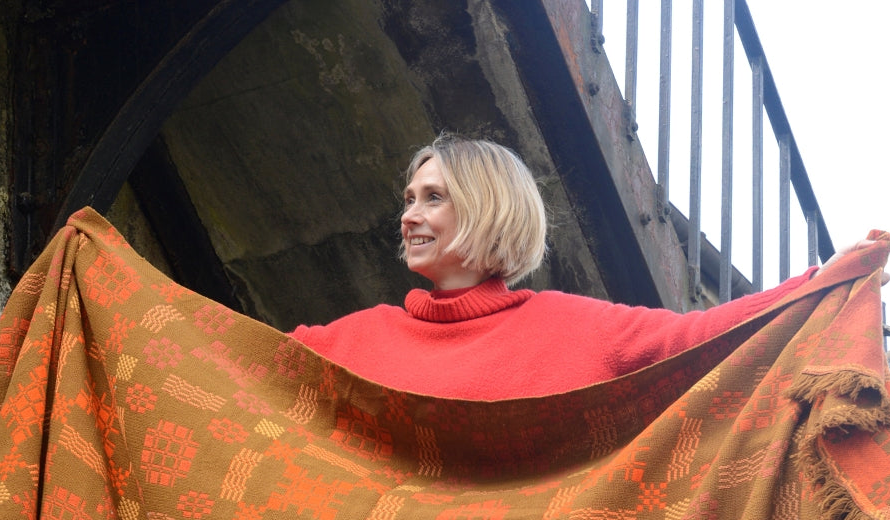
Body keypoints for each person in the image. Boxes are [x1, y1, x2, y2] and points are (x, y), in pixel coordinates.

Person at [290, 134, 826, 399]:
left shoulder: (569, 327)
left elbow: (696, 336)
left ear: (486, 207)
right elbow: (232, 363)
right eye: (409, 199)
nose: (409, 216)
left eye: (433, 198)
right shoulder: (357, 337)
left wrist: (818, 286)